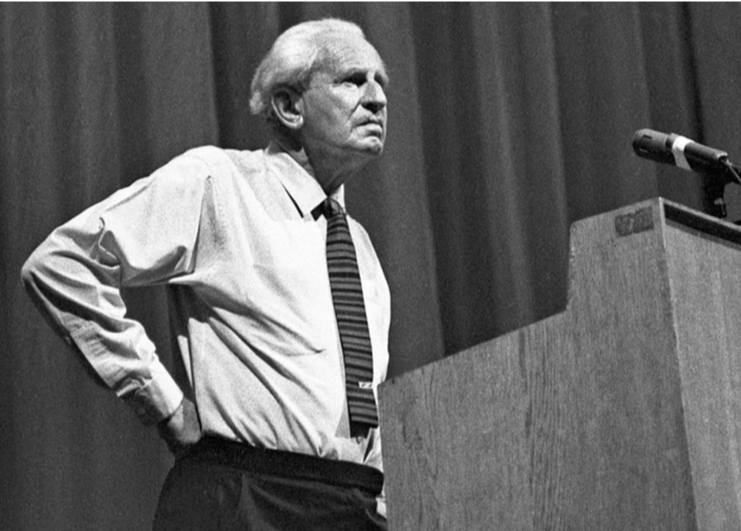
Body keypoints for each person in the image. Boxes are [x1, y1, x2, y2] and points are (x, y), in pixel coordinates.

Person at [21, 18, 391, 530]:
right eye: (352, 80)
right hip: (245, 498)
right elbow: (62, 264)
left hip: (353, 506)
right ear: (290, 106)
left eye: (380, 83)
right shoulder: (219, 184)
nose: (377, 99)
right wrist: (165, 404)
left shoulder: (360, 247)